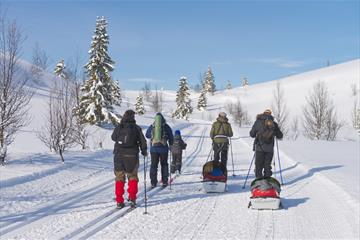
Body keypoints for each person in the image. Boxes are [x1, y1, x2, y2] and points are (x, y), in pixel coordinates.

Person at [111, 110, 147, 209]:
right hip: (132, 156)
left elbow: (113, 137)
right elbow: (143, 141)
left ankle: (119, 201)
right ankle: (132, 198)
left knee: (119, 178)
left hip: (119, 156)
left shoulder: (119, 127)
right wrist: (144, 151)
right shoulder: (136, 128)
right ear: (133, 117)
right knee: (132, 177)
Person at [250, 109, 283, 179]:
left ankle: (259, 181)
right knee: (267, 165)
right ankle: (267, 181)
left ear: (263, 113)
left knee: (258, 165)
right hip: (270, 149)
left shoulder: (257, 122)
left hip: (259, 147)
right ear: (270, 114)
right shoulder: (274, 124)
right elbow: (280, 136)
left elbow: (252, 134)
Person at [146, 113, 174, 188]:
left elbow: (147, 135)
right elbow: (171, 137)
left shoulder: (152, 126)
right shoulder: (166, 126)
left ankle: (153, 182)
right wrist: (171, 144)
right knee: (164, 165)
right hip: (164, 149)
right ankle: (164, 181)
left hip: (154, 149)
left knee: (153, 165)